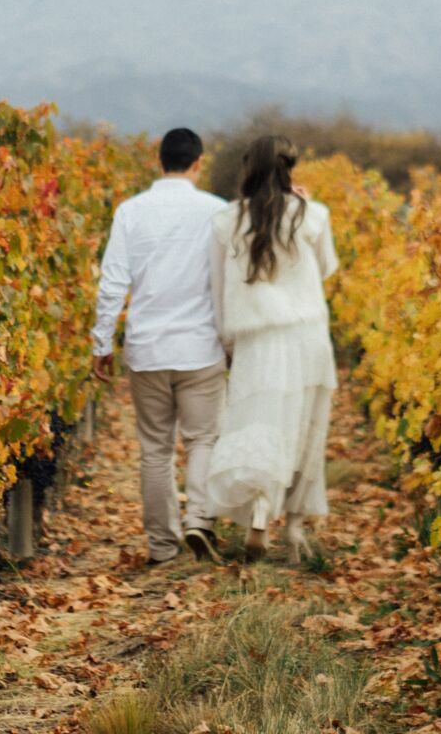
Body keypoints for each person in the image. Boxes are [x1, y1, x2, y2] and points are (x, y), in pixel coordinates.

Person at [90, 127, 229, 565]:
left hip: (147, 350)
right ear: (198, 163)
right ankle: (199, 521)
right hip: (200, 348)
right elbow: (229, 285)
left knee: (156, 449)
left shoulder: (131, 212)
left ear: (158, 161)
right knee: (203, 439)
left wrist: (102, 343)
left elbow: (112, 282)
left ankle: (163, 548)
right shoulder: (217, 212)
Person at [203, 135, 339, 562]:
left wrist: (226, 340)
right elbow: (328, 268)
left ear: (250, 169)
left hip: (257, 340)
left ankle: (261, 509)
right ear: (288, 169)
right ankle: (295, 530)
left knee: (259, 421)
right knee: (306, 427)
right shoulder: (312, 215)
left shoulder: (228, 220)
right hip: (308, 335)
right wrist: (304, 209)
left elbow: (218, 287)